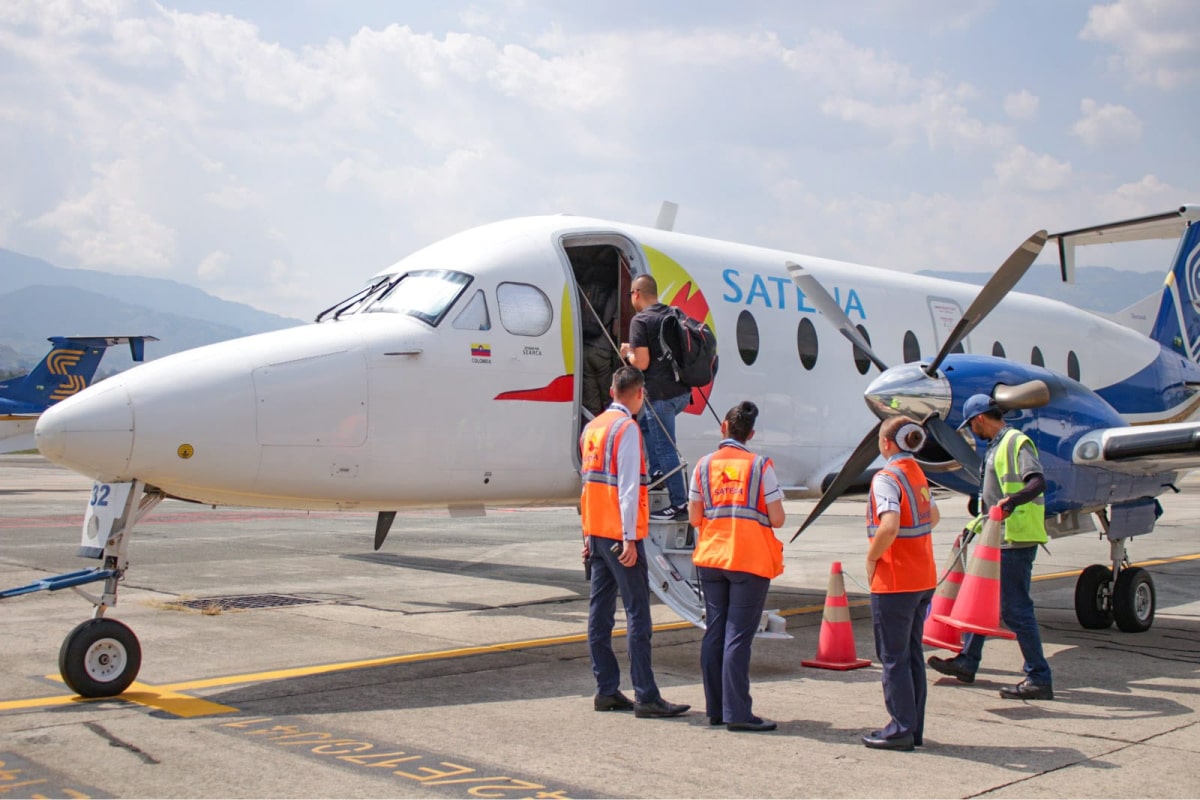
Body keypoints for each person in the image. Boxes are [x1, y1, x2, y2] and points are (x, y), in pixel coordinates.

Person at [580, 365, 691, 719]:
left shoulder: (592, 429)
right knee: (637, 615)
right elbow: (628, 490)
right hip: (620, 536)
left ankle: (606, 690)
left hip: (598, 534)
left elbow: (588, 487)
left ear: (612, 391)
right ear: (640, 393)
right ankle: (646, 695)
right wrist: (629, 539)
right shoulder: (626, 429)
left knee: (599, 616)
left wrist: (587, 535)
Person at [927, 393, 1053, 700]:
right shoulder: (996, 447)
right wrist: (973, 528)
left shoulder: (1015, 442)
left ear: (980, 419)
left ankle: (1039, 677)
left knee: (1016, 608)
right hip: (998, 537)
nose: (972, 432)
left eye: (971, 426)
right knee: (980, 601)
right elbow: (991, 501)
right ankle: (967, 662)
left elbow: (1037, 482)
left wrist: (1011, 503)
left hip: (1015, 538)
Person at [688, 401, 786, 732]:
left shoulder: (703, 466)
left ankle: (716, 709)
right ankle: (738, 713)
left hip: (712, 558)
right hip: (749, 559)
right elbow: (777, 518)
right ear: (751, 434)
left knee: (715, 631)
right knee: (738, 636)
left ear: (724, 428)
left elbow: (694, 517)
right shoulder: (760, 466)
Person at [861, 417, 939, 752]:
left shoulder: (887, 477)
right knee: (912, 655)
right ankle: (913, 727)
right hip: (923, 576)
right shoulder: (916, 473)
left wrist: (872, 557)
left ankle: (900, 728)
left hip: (895, 579)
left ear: (887, 443)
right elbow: (933, 516)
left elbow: (889, 525)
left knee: (893, 658)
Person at [620, 274, 691, 520]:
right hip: (682, 393)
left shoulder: (641, 320)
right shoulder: (673, 314)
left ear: (636, 294)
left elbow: (641, 362)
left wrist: (627, 353)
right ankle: (658, 473)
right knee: (644, 424)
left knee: (665, 447)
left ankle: (679, 504)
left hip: (660, 396)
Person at [578, 250, 620, 420]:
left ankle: (594, 428)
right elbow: (616, 329)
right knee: (609, 397)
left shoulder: (586, 288)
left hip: (584, 348)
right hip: (602, 350)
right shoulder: (614, 292)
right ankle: (610, 429)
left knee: (591, 400)